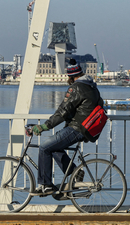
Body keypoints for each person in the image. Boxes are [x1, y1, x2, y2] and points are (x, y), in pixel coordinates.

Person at [31, 58, 103, 196]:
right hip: (87, 127)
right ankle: (75, 172)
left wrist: (44, 126)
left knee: (44, 147)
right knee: (53, 146)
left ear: (71, 76)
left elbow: (62, 111)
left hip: (77, 128)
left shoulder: (76, 88)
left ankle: (46, 185)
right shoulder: (92, 86)